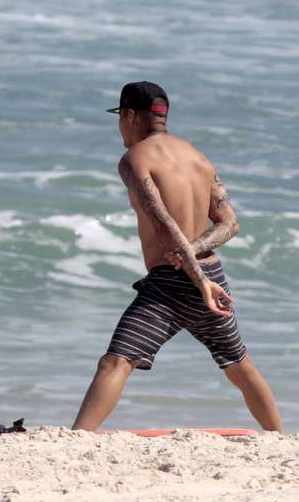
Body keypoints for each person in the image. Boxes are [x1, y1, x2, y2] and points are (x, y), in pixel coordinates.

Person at [71, 81, 282, 432]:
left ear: (129, 115)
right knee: (239, 365)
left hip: (174, 282)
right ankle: (280, 438)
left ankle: (76, 439)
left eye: (120, 118)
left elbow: (165, 224)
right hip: (213, 276)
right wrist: (200, 262)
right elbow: (230, 223)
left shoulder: (134, 160)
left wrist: (194, 276)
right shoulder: (198, 157)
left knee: (116, 362)